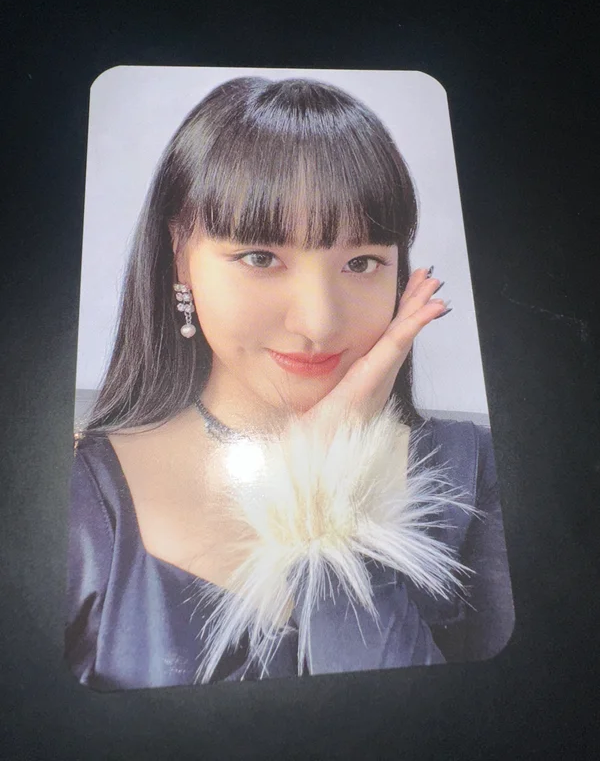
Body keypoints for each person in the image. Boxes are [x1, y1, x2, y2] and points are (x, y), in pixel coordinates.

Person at [66, 76, 514, 690]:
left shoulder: (476, 473)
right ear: (179, 256)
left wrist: (325, 490)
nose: (319, 322)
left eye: (362, 262)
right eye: (260, 258)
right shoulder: (85, 498)